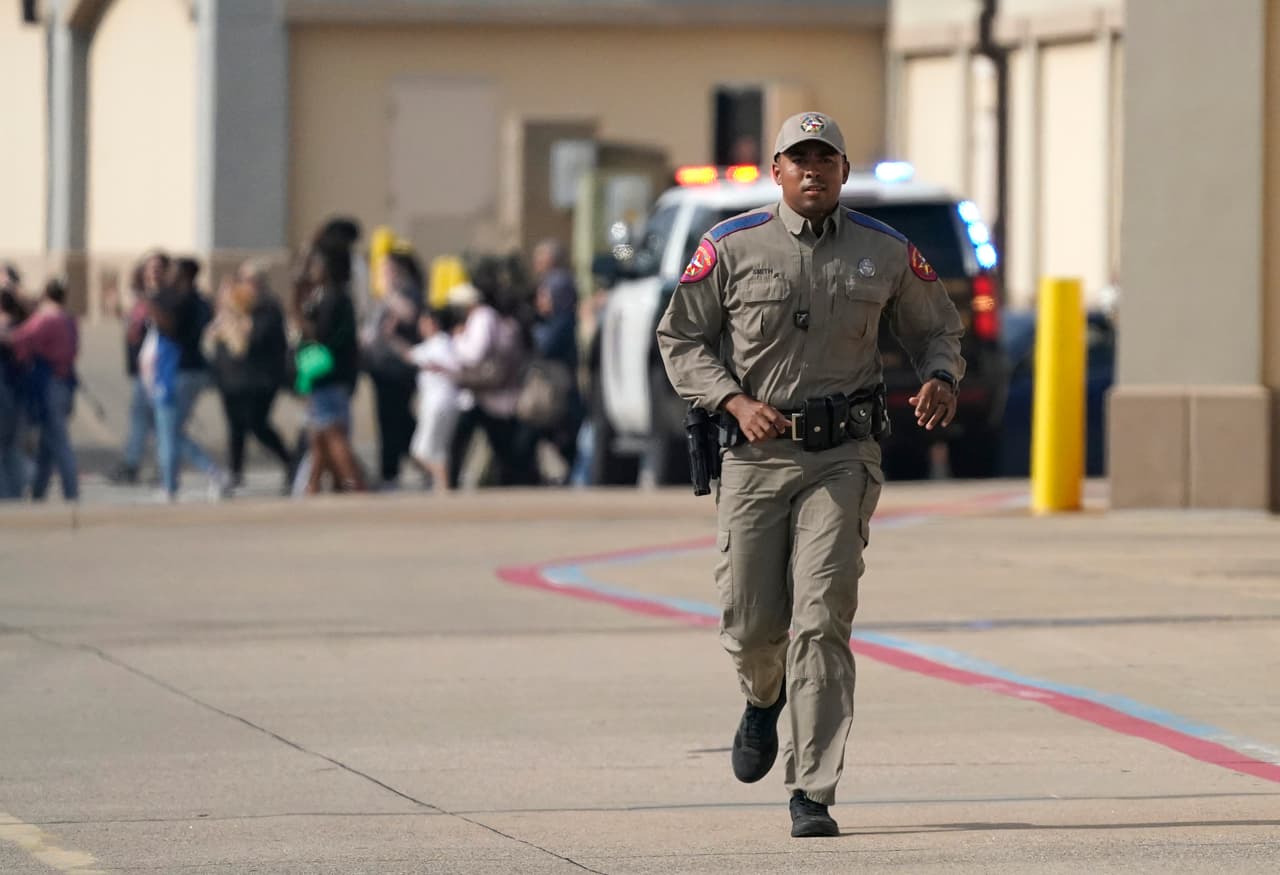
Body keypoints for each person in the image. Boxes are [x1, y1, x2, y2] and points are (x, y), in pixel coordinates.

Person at [655, 111, 966, 838]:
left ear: (845, 171)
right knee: (750, 623)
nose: (814, 170)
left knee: (822, 618)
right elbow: (681, 336)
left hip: (842, 456)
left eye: (826, 158)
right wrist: (732, 399)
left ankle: (812, 788)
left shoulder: (884, 251)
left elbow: (936, 326)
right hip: (755, 459)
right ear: (778, 170)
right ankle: (763, 698)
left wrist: (941, 375)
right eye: (800, 159)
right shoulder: (729, 247)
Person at [205, 264, 294, 491]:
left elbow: (256, 340)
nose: (247, 286)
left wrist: (238, 321)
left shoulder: (268, 308)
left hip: (261, 379)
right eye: (244, 280)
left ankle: (289, 461)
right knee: (235, 426)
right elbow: (214, 339)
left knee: (258, 423)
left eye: (253, 281)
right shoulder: (229, 308)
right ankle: (236, 472)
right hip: (231, 378)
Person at [1, 279, 81, 502]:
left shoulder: (46, 320)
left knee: (57, 440)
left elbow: (18, 338)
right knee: (47, 444)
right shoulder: (68, 319)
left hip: (50, 385)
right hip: (65, 383)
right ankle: (39, 490)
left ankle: (71, 491)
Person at [404, 307, 461, 491]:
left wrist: (387, 337)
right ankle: (442, 489)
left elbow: (409, 356)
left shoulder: (438, 344)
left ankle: (443, 480)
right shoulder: (447, 343)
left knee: (420, 452)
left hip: (436, 404)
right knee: (439, 452)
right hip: (449, 403)